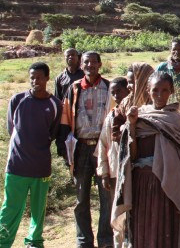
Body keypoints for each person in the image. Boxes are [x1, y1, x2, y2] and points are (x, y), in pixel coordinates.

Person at [114, 72, 180, 248]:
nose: (160, 95)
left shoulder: (176, 119)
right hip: (142, 182)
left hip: (168, 183)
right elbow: (132, 155)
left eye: (164, 90)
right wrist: (131, 124)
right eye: (155, 90)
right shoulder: (139, 116)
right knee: (143, 224)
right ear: (147, 91)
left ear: (171, 91)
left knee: (165, 224)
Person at [0, 62, 62, 248]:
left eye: (39, 77)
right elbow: (13, 130)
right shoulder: (17, 100)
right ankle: (3, 242)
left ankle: (34, 242)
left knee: (38, 209)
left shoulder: (55, 104)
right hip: (16, 165)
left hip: (41, 167)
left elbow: (53, 132)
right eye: (32, 77)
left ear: (47, 78)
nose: (35, 81)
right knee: (10, 208)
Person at [57, 51, 114, 248]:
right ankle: (84, 241)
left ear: (100, 64)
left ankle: (106, 240)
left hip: (103, 148)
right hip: (80, 148)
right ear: (82, 65)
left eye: (93, 62)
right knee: (81, 198)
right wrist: (65, 151)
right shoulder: (74, 88)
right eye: (86, 62)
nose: (90, 65)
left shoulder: (108, 87)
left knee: (106, 198)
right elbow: (65, 120)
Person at [96, 77, 130, 248]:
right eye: (113, 92)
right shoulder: (111, 115)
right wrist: (104, 172)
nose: (116, 95)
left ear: (128, 91)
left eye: (119, 91)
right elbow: (103, 144)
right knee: (117, 216)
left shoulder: (134, 113)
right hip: (115, 171)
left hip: (131, 173)